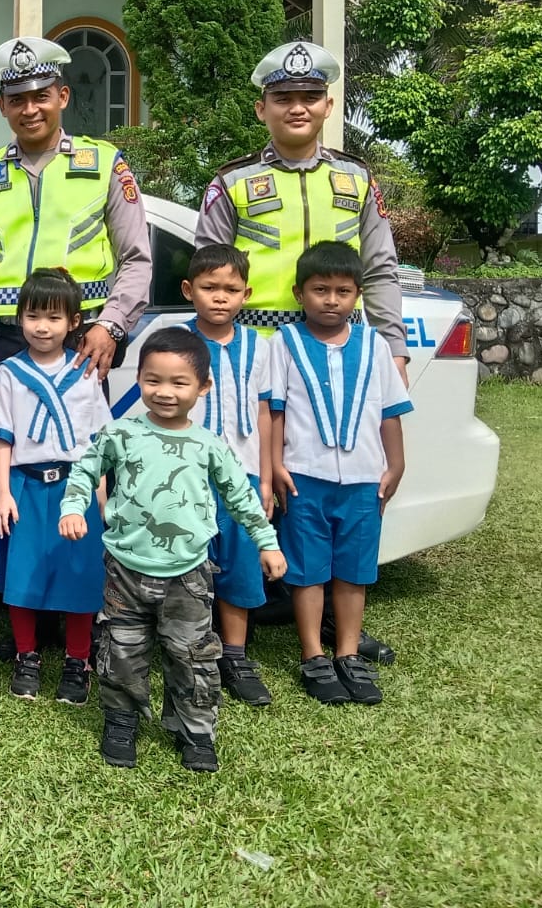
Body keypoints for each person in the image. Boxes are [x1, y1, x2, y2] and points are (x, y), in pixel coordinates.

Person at [195, 40, 405, 665]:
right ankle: (246, 611)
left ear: (328, 104)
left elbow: (382, 266)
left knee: (327, 477)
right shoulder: (233, 182)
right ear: (262, 108)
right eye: (283, 98)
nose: (297, 107)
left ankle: (333, 620)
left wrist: (392, 344)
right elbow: (210, 267)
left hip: (340, 352)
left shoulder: (356, 179)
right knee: (262, 478)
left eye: (308, 97)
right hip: (259, 347)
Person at [60, 328, 286, 772]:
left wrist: (267, 542)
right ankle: (121, 721)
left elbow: (241, 498)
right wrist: (73, 508)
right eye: (152, 380)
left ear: (203, 387)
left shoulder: (209, 445)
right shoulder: (120, 434)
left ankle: (196, 732)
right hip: (125, 569)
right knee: (121, 650)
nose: (164, 392)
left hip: (188, 574)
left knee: (193, 655)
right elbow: (85, 471)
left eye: (179, 382)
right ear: (139, 379)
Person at [0, 35, 151, 374]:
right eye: (17, 99)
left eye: (41, 96)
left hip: (79, 342)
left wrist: (110, 325)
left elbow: (136, 259)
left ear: (62, 96)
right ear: (2, 106)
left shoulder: (104, 165)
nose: (30, 110)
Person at [268, 242, 411, 707]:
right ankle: (313, 655)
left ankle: (348, 654)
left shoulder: (375, 345)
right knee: (307, 572)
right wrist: (274, 466)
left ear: (358, 295)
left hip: (364, 477)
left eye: (343, 291)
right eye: (320, 290)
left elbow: (390, 411)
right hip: (303, 476)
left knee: (354, 571)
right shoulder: (285, 344)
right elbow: (276, 411)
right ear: (299, 293)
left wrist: (397, 463)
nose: (332, 300)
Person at [0, 268, 111, 705]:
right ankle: (28, 656)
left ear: (74, 322)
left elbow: (98, 441)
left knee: (79, 575)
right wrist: (3, 492)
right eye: (34, 316)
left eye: (55, 318)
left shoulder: (85, 370)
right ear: (19, 318)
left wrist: (100, 498)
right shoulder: (9, 373)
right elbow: (2, 436)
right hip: (25, 486)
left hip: (74, 487)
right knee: (23, 575)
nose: (43, 326)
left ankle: (77, 660)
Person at [180, 245, 276, 707]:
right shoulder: (175, 343)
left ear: (247, 294)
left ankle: (235, 654)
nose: (220, 298)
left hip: (240, 479)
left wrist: (267, 478)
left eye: (231, 290)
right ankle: (194, 651)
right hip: (185, 480)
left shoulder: (260, 347)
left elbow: (265, 414)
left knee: (239, 567)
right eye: (209, 288)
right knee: (189, 568)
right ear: (188, 290)